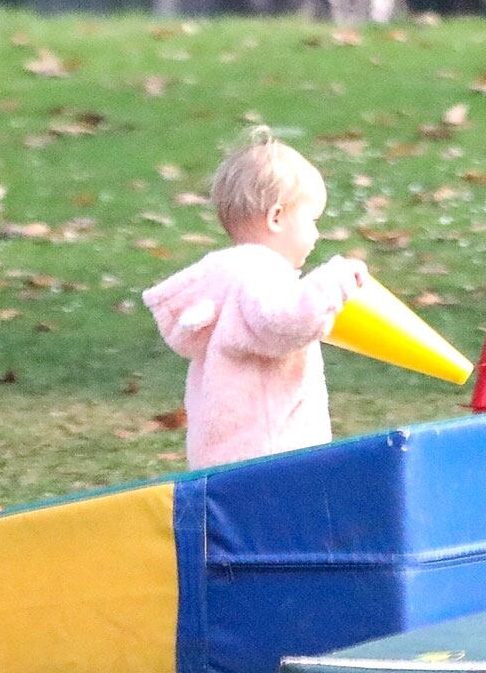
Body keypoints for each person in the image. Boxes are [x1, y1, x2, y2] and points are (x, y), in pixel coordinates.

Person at [142, 127, 368, 469]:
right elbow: (284, 322)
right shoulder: (260, 274)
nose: (317, 233)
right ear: (277, 217)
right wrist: (333, 283)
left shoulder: (227, 275)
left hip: (229, 459)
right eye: (312, 219)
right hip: (268, 462)